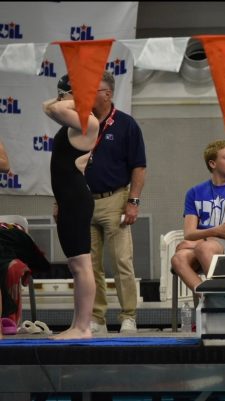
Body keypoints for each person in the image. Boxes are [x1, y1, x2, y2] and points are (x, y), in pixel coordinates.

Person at [84, 71, 147, 334]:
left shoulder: (126, 125)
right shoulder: (81, 124)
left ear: (108, 94)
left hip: (116, 200)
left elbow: (139, 167)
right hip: (84, 202)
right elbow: (66, 167)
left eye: (93, 90)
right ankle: (97, 317)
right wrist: (60, 201)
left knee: (122, 261)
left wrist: (133, 201)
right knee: (90, 264)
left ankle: (128, 315)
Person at [43, 74, 99, 339]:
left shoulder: (88, 121)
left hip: (76, 199)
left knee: (81, 265)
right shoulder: (75, 121)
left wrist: (70, 97)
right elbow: (48, 106)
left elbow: (52, 107)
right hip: (67, 199)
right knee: (77, 265)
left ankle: (83, 327)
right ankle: (78, 325)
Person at [171, 140, 225, 292]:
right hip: (204, 244)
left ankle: (223, 296)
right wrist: (215, 232)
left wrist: (196, 242)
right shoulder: (194, 192)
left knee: (200, 248)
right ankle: (206, 299)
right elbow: (189, 233)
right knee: (178, 258)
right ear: (212, 164)